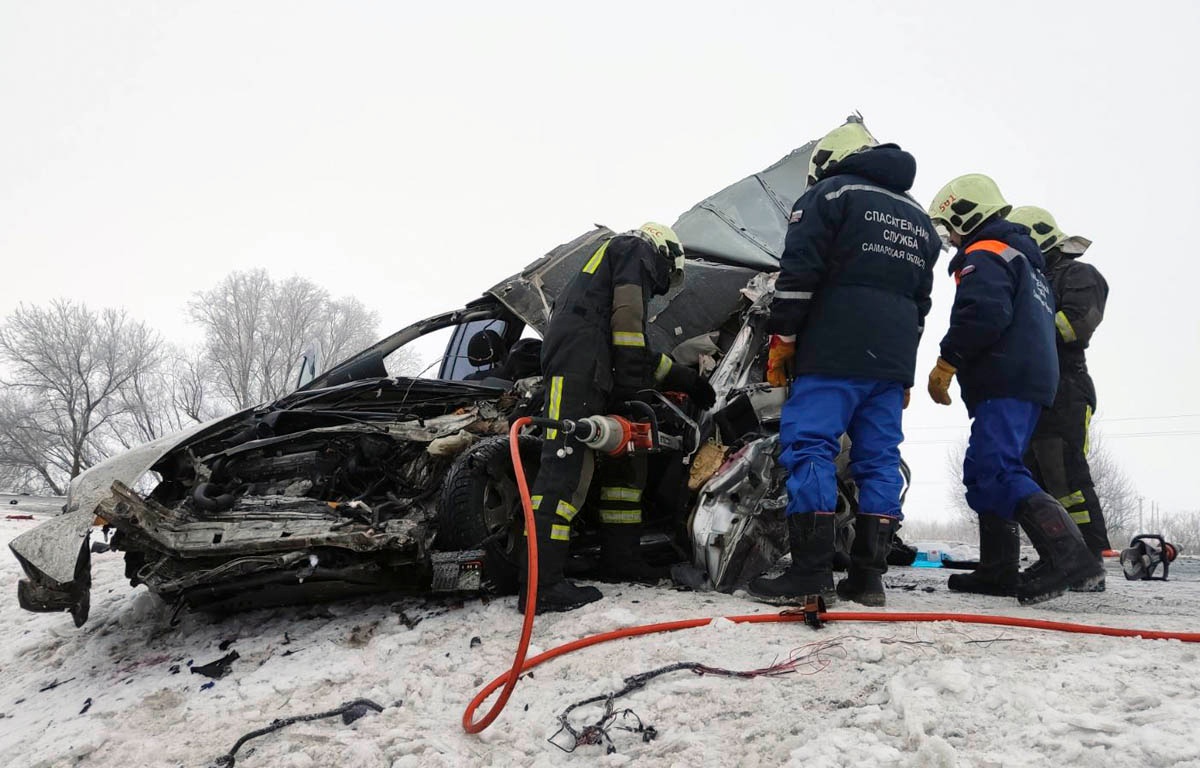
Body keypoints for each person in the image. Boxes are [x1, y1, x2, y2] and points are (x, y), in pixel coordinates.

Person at [748, 117, 940, 607]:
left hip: (833, 350)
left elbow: (798, 273)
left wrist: (784, 337)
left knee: (810, 446)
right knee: (877, 460)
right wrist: (904, 372)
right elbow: (921, 302)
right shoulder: (919, 218)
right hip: (891, 361)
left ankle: (810, 573)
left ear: (827, 162)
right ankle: (868, 578)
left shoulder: (830, 195)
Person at [519, 222, 716, 614]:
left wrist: (683, 378)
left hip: (594, 369)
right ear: (664, 252)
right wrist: (632, 386)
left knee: (624, 467)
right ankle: (541, 585)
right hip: (578, 371)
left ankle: (619, 559)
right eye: (668, 275)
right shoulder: (633, 249)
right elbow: (627, 330)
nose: (661, 286)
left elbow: (631, 347)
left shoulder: (600, 283)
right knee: (564, 473)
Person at [926, 175, 1103, 604]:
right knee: (986, 470)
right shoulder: (1028, 263)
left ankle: (1069, 557)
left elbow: (982, 312)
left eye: (950, 225)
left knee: (999, 469)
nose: (949, 237)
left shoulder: (987, 253)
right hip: (1027, 380)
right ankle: (998, 569)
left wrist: (948, 360)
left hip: (1007, 379)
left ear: (966, 215)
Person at [1007, 205, 1111, 590]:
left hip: (1067, 390)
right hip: (1037, 391)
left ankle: (1090, 562)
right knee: (1035, 475)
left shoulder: (1079, 274)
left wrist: (1024, 326)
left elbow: (1075, 326)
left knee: (1067, 477)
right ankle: (1059, 557)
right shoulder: (1037, 276)